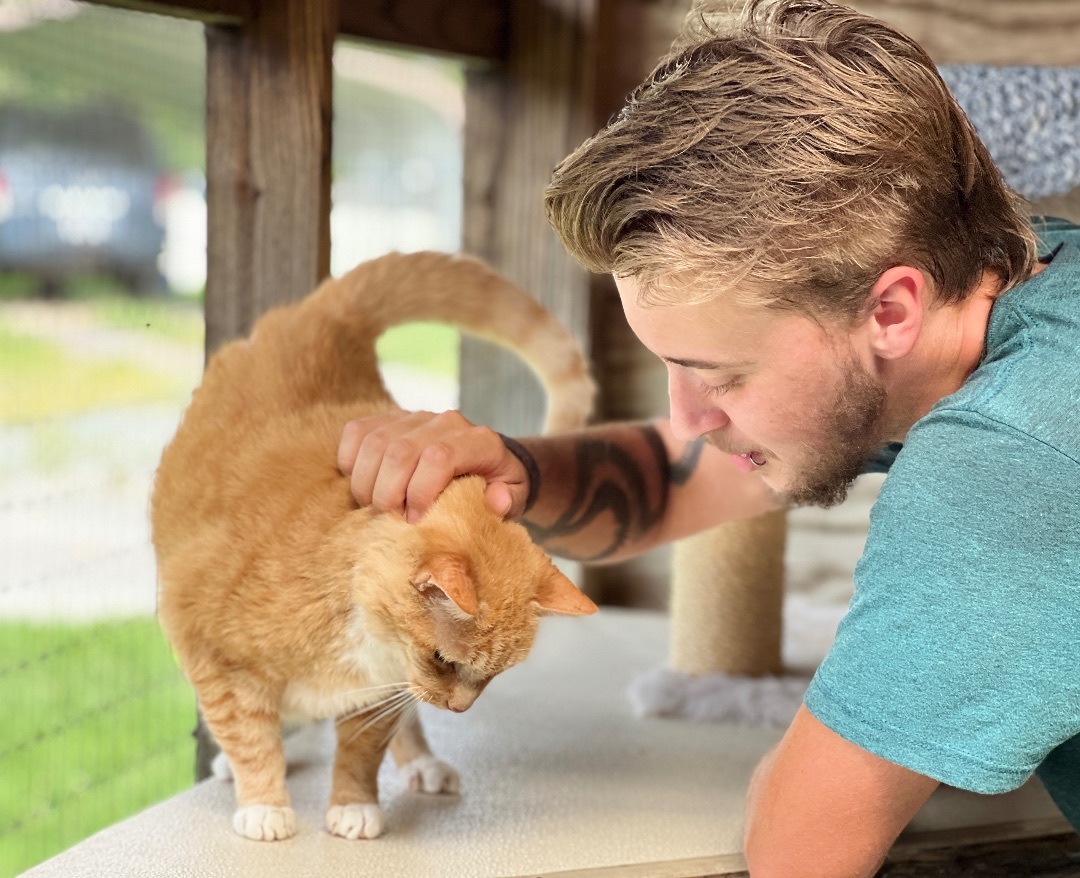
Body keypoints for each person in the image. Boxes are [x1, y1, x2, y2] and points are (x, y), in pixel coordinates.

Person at [337, 0, 1080, 874]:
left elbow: (797, 853)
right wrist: (518, 475)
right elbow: (678, 470)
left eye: (719, 373)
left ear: (890, 309)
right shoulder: (1023, 281)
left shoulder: (1015, 456)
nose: (689, 413)